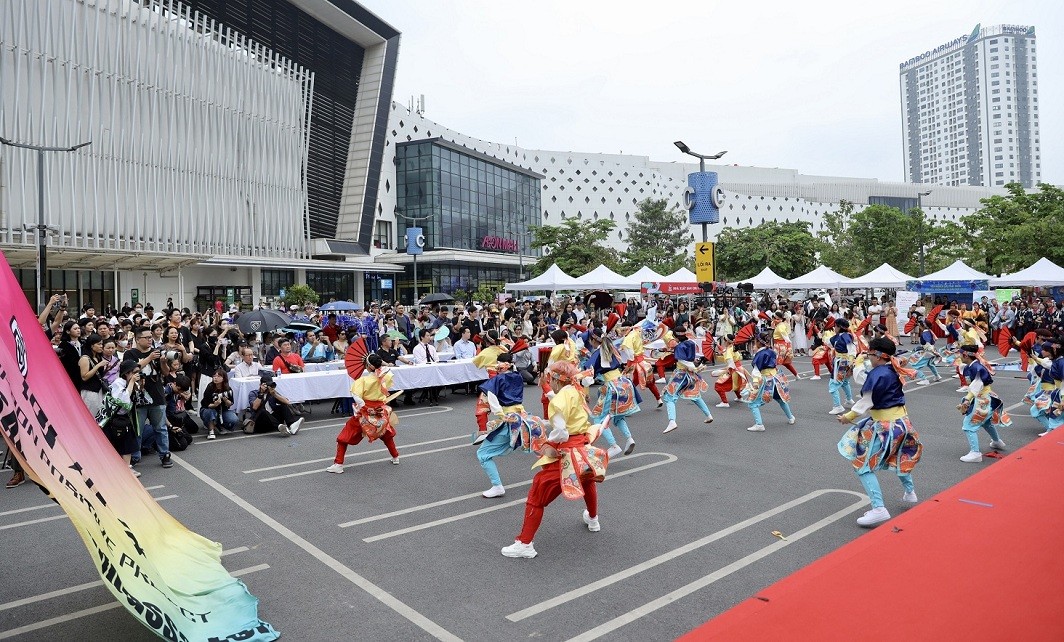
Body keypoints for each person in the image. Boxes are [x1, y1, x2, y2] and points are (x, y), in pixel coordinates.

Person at [501, 361, 608, 559]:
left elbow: (561, 432)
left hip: (567, 453)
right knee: (587, 480)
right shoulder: (577, 390)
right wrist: (547, 388)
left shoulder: (560, 400)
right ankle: (593, 519)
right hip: (583, 448)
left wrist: (543, 442)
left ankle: (525, 544)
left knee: (537, 494)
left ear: (557, 378)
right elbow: (564, 406)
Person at [835, 337, 923, 527]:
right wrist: (859, 365)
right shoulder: (890, 368)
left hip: (885, 426)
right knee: (900, 456)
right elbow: (867, 380)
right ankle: (910, 492)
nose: (868, 356)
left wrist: (848, 417)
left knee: (863, 464)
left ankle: (879, 509)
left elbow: (867, 400)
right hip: (901, 422)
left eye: (869, 353)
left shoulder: (880, 373)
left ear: (878, 355)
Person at [475, 352, 545, 497]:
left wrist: (500, 415)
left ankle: (497, 486)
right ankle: (557, 471)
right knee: (537, 446)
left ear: (500, 364)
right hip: (523, 416)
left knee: (483, 454)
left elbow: (492, 401)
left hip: (509, 419)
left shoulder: (497, 380)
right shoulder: (518, 376)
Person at [327, 354, 399, 472]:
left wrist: (364, 408)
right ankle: (395, 456)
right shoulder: (383, 377)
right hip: (380, 411)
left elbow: (357, 397)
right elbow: (389, 371)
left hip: (365, 412)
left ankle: (338, 464)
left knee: (344, 436)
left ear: (368, 366)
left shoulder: (363, 380)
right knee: (385, 432)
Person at [123, 326, 172, 468]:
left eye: (151, 337)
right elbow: (132, 370)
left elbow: (166, 373)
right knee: (137, 429)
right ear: (138, 339)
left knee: (160, 428)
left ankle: (165, 455)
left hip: (157, 395)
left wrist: (163, 362)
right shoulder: (130, 354)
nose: (150, 340)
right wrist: (149, 358)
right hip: (138, 396)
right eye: (147, 338)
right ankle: (135, 456)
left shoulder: (157, 352)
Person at [587, 327, 640, 457]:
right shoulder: (610, 348)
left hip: (611, 386)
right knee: (618, 416)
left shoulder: (597, 353)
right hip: (623, 383)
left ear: (593, 340)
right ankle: (629, 439)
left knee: (599, 418)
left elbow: (589, 372)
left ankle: (613, 445)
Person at [956, 344, 1010, 462]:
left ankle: (975, 453)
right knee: (986, 422)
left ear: (965, 355)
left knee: (969, 425)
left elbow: (977, 385)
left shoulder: (976, 367)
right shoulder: (974, 365)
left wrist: (967, 399)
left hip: (982, 399)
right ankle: (997, 442)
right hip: (986, 397)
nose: (959, 356)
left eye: (960, 354)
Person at [97, 360, 148, 477]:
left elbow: (143, 400)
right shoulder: (118, 383)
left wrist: (140, 386)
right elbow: (123, 401)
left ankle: (127, 468)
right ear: (127, 373)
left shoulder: (133, 383)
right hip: (112, 419)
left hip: (126, 418)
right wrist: (131, 384)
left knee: (128, 444)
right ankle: (110, 469)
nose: (137, 375)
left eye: (138, 372)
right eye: (135, 372)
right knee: (111, 445)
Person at [743, 332, 796, 432]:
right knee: (780, 399)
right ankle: (791, 417)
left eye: (755, 341)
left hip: (766, 380)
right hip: (776, 378)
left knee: (753, 403)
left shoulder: (760, 354)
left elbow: (756, 371)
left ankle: (759, 424)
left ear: (759, 342)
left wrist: (755, 383)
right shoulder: (770, 351)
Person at [620, 320, 663, 411]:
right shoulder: (636, 332)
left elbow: (630, 355)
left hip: (635, 363)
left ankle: (628, 404)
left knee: (629, 384)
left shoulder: (628, 338)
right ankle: (658, 399)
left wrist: (628, 365)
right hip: (643, 362)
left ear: (625, 329)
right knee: (649, 382)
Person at [471, 330, 506, 439]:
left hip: (493, 382)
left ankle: (483, 432)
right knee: (510, 406)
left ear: (486, 341)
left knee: (482, 408)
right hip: (506, 381)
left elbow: (476, 362)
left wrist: (478, 348)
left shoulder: (485, 352)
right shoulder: (504, 349)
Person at [827, 318, 857, 415]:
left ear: (839, 327)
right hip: (842, 362)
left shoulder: (845, 337)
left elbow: (852, 349)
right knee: (844, 382)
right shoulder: (840, 336)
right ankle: (849, 399)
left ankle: (838, 406)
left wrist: (851, 361)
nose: (834, 328)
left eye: (835, 326)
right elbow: (829, 343)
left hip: (842, 363)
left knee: (833, 385)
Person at [78, 333, 110, 417]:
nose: (101, 346)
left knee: (99, 415)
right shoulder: (85, 358)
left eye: (102, 344)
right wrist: (98, 365)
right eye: (99, 344)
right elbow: (84, 377)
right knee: (90, 416)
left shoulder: (98, 357)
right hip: (89, 391)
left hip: (99, 390)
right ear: (92, 345)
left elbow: (97, 375)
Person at [200, 369, 238, 438]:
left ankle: (219, 425)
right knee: (211, 412)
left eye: (218, 376)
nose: (215, 378)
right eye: (214, 376)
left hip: (223, 410)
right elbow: (206, 404)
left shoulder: (227, 389)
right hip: (208, 409)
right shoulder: (210, 387)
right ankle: (211, 431)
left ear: (223, 378)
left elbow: (230, 403)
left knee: (233, 419)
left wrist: (226, 401)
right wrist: (215, 405)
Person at [711, 334, 746, 408]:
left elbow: (730, 362)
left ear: (726, 341)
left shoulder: (729, 350)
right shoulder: (733, 347)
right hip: (739, 368)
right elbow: (725, 352)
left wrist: (727, 371)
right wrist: (718, 346)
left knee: (718, 385)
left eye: (724, 340)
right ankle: (739, 397)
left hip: (734, 370)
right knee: (735, 384)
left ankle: (725, 402)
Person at [909, 319, 943, 385]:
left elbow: (927, 343)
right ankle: (937, 376)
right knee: (930, 364)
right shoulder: (929, 331)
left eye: (920, 325)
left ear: (923, 326)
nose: (919, 326)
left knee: (916, 366)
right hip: (931, 350)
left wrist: (933, 352)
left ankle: (924, 379)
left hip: (928, 351)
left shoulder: (925, 333)